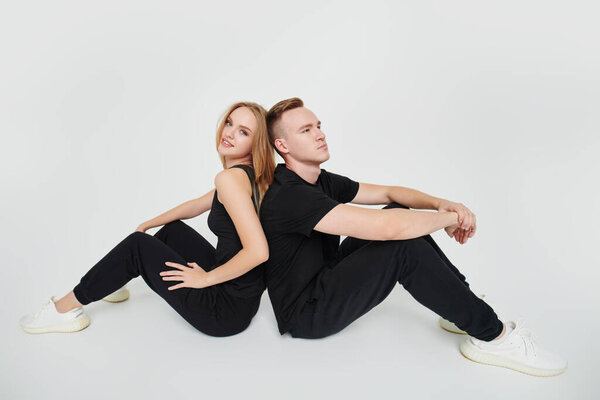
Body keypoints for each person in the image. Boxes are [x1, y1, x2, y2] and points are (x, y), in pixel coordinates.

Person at [259, 97, 567, 376]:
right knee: (400, 244)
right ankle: (494, 336)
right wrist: (449, 219)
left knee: (396, 209)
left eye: (319, 126)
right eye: (306, 130)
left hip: (324, 277)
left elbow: (389, 193)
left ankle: (460, 307)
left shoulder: (318, 180)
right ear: (283, 146)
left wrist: (440, 204)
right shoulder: (290, 195)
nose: (320, 134)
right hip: (307, 313)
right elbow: (390, 229)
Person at [20, 101, 275, 337]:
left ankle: (62, 310)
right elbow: (196, 205)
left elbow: (259, 252)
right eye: (230, 123)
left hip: (223, 312)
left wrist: (205, 279)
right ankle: (111, 279)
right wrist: (149, 223)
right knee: (172, 231)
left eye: (243, 132)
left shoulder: (229, 179)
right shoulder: (248, 176)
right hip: (242, 303)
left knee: (137, 246)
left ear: (256, 144)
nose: (229, 133)